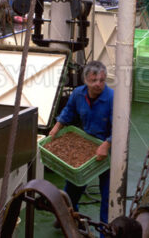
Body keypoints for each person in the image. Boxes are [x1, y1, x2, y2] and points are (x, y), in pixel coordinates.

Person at [49, 60, 113, 235]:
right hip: (86, 142)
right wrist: (56, 129)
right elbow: (68, 112)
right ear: (85, 80)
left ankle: (105, 231)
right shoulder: (78, 94)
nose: (98, 84)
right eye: (93, 80)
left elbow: (120, 128)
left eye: (101, 80)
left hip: (108, 149)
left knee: (107, 194)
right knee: (73, 185)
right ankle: (68, 216)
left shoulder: (112, 98)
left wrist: (107, 144)